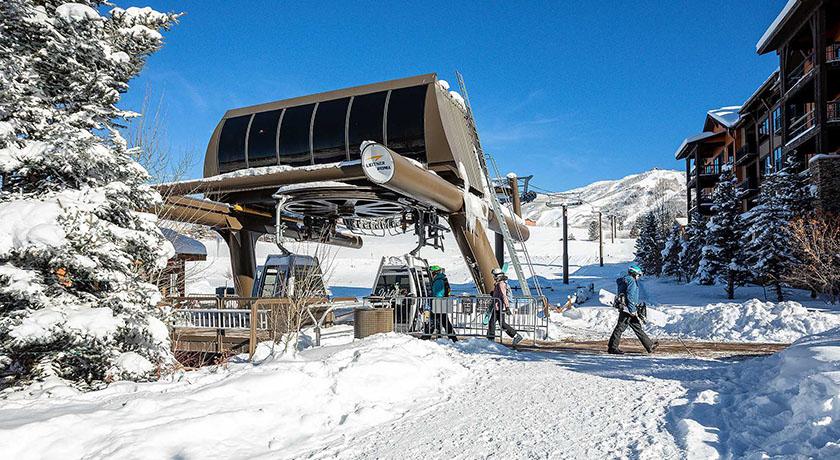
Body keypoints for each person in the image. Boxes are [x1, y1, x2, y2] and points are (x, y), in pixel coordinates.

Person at [607, 264, 659, 354]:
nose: (639, 277)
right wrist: (632, 309)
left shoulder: (625, 281)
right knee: (620, 328)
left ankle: (649, 345)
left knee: (637, 327)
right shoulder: (631, 281)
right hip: (628, 309)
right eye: (639, 275)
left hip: (626, 307)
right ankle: (612, 348)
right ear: (634, 273)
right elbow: (630, 296)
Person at [488, 268, 524, 346]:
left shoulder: (501, 284)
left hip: (501, 306)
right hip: (497, 306)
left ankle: (516, 336)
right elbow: (500, 294)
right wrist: (493, 294)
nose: (493, 277)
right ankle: (490, 339)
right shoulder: (499, 284)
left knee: (502, 324)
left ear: (497, 276)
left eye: (494, 275)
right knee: (492, 322)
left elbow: (504, 296)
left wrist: (507, 307)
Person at [422, 265, 458, 342]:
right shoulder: (442, 279)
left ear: (434, 272)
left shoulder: (438, 281)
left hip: (438, 303)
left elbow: (438, 293)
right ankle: (453, 338)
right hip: (442, 303)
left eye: (431, 272)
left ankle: (425, 337)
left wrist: (434, 301)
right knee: (443, 321)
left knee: (433, 321)